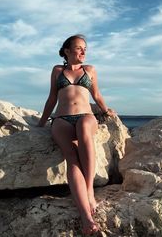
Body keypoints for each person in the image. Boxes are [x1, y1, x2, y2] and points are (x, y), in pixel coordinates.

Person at [37, 34, 115, 235]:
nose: (83, 52)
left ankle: (89, 190)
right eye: (79, 48)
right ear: (67, 51)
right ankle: (86, 217)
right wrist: (41, 123)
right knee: (71, 159)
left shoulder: (89, 70)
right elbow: (52, 98)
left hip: (85, 116)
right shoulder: (57, 71)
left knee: (84, 128)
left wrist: (106, 111)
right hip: (62, 119)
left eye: (85, 49)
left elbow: (96, 95)